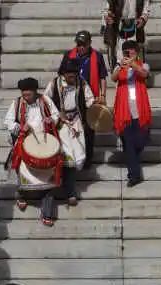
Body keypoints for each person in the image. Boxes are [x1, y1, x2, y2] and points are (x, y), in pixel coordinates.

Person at [4, 77, 63, 226]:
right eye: (24, 94)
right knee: (21, 171)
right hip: (25, 143)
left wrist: (51, 120)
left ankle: (47, 213)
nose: (26, 97)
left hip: (45, 144)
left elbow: (56, 115)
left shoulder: (45, 100)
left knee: (49, 182)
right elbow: (8, 121)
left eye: (28, 94)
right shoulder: (17, 103)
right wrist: (19, 128)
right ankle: (21, 195)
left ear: (35, 92)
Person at [46, 59, 95, 206]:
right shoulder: (54, 84)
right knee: (65, 157)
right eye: (70, 75)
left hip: (76, 123)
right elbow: (46, 101)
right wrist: (57, 115)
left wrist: (95, 106)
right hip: (60, 125)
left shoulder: (82, 83)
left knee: (77, 157)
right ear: (63, 74)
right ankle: (68, 192)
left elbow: (89, 100)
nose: (73, 78)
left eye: (75, 75)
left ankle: (68, 189)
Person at [61, 30, 108, 167]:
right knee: (71, 129)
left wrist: (102, 95)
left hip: (89, 97)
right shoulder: (68, 55)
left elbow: (102, 77)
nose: (81, 47)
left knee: (88, 129)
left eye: (84, 44)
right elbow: (61, 75)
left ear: (89, 43)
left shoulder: (97, 56)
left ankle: (88, 159)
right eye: (79, 44)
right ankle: (73, 157)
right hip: (71, 97)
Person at [111, 40, 151, 187]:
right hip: (124, 110)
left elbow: (144, 74)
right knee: (128, 143)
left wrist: (133, 64)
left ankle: (133, 159)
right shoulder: (120, 65)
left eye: (131, 50)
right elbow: (114, 78)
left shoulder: (142, 64)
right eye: (126, 50)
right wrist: (121, 65)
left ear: (136, 51)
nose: (128, 53)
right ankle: (134, 175)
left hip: (139, 109)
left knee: (140, 141)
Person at [102, 0, 149, 68]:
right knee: (119, 56)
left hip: (135, 27)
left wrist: (143, 19)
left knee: (136, 55)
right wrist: (107, 17)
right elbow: (107, 9)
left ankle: (136, 73)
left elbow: (146, 8)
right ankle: (119, 72)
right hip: (118, 27)